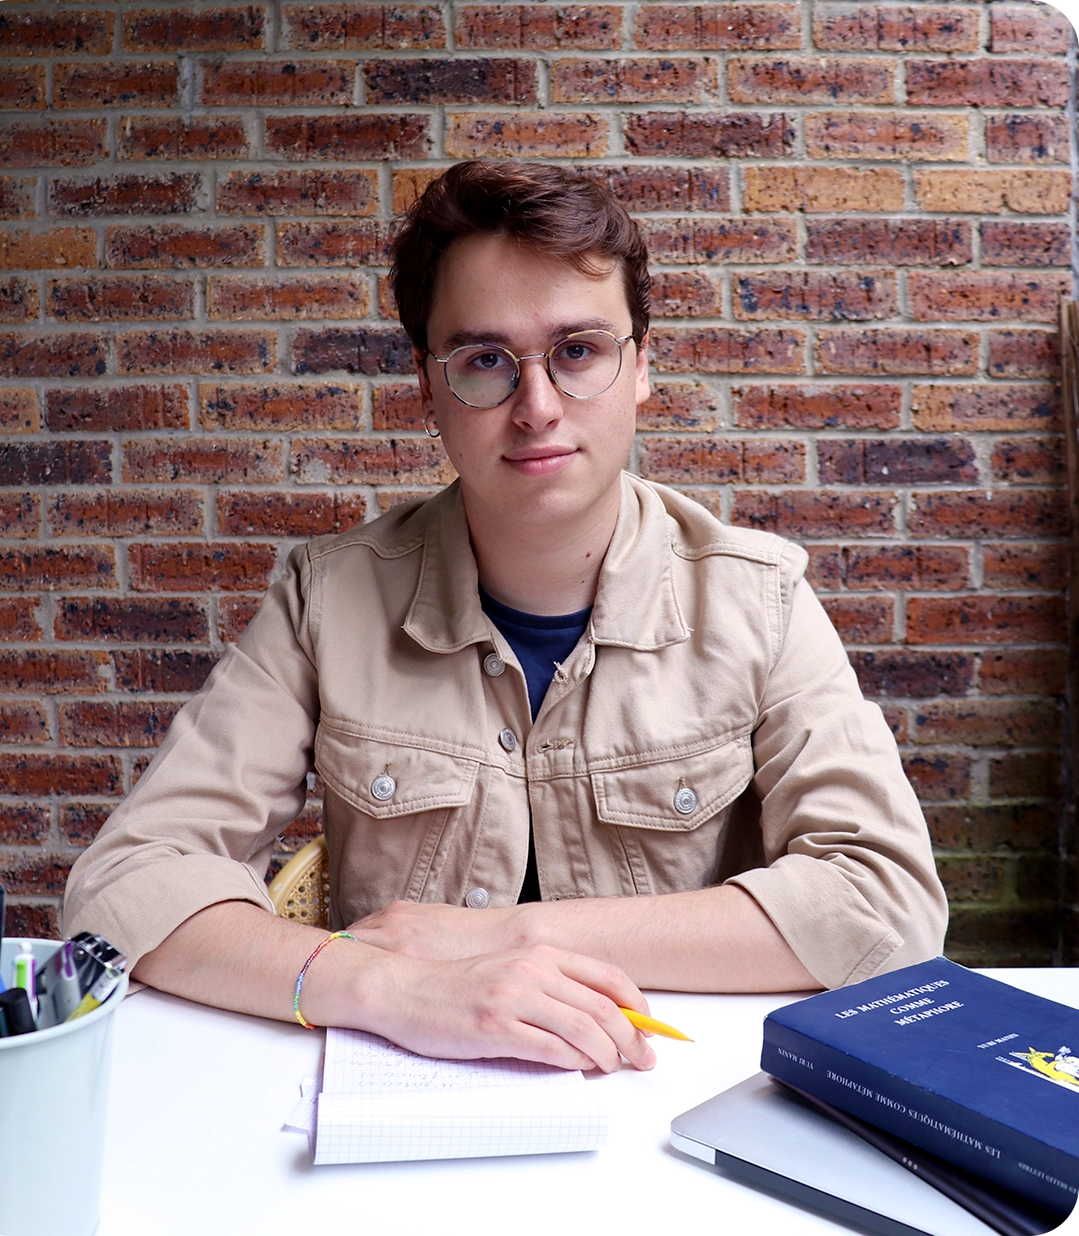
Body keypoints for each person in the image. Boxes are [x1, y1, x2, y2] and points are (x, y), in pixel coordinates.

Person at [64, 161, 946, 1074]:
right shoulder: (326, 598)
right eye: (485, 360)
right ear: (426, 387)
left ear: (641, 366)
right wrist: (393, 988)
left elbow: (886, 904)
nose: (537, 407)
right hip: (397, 1101)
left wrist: (498, 936)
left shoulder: (756, 598)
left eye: (578, 351)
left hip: (667, 1085)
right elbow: (124, 887)